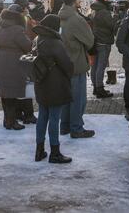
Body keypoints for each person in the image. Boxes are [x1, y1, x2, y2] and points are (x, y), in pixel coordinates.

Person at [32, 14, 74, 164]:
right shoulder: (55, 42)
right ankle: (55, 153)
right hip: (55, 85)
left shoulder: (37, 40)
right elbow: (67, 64)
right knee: (54, 118)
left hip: (41, 84)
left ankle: (39, 150)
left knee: (42, 116)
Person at [58, 0, 96, 138]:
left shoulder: (59, 16)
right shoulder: (75, 19)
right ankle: (76, 128)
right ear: (74, 1)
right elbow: (89, 40)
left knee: (66, 98)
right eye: (78, 0)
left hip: (63, 62)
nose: (80, 2)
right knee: (78, 99)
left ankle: (65, 126)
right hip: (76, 63)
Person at [0, 4, 34, 130]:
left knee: (5, 93)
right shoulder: (17, 29)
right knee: (12, 92)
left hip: (1, 59)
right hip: (14, 61)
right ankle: (12, 121)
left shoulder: (0, 28)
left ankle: (7, 120)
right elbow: (27, 46)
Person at [89, 0, 116, 99]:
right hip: (104, 41)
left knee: (95, 66)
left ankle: (96, 87)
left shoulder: (94, 9)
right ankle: (100, 89)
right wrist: (116, 16)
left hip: (96, 40)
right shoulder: (104, 11)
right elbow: (111, 25)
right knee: (101, 66)